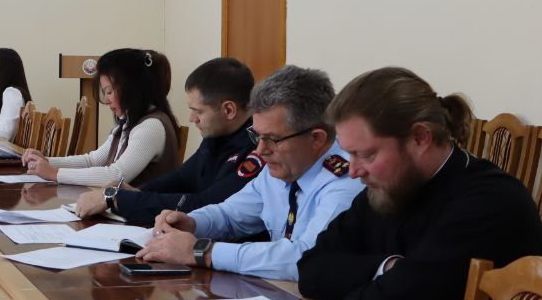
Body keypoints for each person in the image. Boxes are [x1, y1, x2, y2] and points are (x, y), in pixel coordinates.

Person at [298, 67, 542, 300]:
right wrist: (388, 267)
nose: (353, 171)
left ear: (420, 138)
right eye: (349, 154)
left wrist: (362, 289)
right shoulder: (386, 188)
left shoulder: (491, 201)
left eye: (366, 154)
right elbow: (310, 270)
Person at [138, 65, 364, 281]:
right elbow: (230, 215)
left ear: (316, 139)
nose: (260, 150)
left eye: (272, 139)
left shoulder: (346, 180)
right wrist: (192, 222)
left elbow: (306, 257)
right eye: (257, 136)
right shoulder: (284, 167)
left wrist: (202, 252)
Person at [74, 57, 259, 220]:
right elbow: (182, 178)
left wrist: (118, 199)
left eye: (198, 111)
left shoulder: (256, 148)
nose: (192, 119)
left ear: (228, 110)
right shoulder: (219, 134)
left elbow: (207, 204)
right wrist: (137, 192)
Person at [22, 48, 179, 187]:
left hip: (140, 211)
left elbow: (116, 175)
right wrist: (47, 161)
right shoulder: (129, 122)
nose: (106, 100)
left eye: (109, 92)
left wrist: (55, 174)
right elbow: (93, 160)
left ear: (132, 89)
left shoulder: (151, 126)